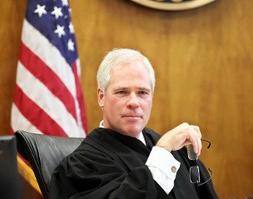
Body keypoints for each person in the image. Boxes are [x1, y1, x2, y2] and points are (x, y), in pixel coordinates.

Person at [49, 48, 218, 199]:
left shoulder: (176, 150)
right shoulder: (83, 165)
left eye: (142, 92)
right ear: (101, 97)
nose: (134, 102)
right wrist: (163, 152)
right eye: (122, 92)